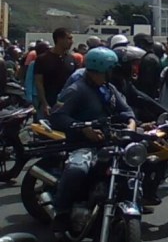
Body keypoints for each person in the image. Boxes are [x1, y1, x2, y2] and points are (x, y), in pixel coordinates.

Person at [49, 47, 137, 231]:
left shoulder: (108, 89)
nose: (112, 73)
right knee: (77, 170)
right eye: (110, 69)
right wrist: (84, 129)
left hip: (109, 143)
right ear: (101, 69)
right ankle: (62, 213)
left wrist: (131, 124)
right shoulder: (76, 89)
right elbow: (58, 116)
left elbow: (127, 111)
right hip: (82, 145)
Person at [34, 28, 76, 117]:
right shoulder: (43, 59)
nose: (72, 42)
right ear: (59, 39)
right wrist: (45, 104)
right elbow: (39, 83)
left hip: (67, 106)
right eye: (69, 38)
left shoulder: (71, 59)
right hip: (49, 104)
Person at [134, 33, 162, 99]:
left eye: (136, 44)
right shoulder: (151, 57)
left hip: (147, 97)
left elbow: (147, 82)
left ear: (142, 44)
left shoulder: (149, 59)